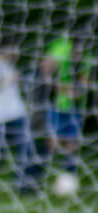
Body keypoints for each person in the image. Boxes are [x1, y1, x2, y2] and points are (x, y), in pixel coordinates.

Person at [0, 38, 38, 191]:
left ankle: (24, 184)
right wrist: (6, 79)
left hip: (17, 114)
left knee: (26, 148)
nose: (15, 52)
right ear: (3, 49)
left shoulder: (10, 66)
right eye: (12, 49)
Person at [44, 34, 93, 177]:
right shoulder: (61, 55)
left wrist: (81, 89)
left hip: (74, 107)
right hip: (56, 104)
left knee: (72, 142)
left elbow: (85, 81)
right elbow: (49, 79)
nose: (77, 54)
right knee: (53, 141)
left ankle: (69, 175)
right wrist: (66, 90)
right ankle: (43, 172)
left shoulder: (86, 59)